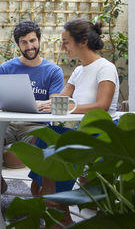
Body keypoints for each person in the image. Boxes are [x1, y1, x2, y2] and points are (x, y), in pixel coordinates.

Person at [33, 18, 119, 227]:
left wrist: (64, 107)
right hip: (80, 129)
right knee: (46, 134)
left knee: (57, 141)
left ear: (83, 42)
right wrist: (40, 103)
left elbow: (102, 106)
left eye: (66, 42)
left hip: (101, 130)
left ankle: (55, 205)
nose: (62, 47)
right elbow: (61, 99)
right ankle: (54, 201)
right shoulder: (79, 71)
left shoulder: (105, 68)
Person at [0, 21, 64, 208]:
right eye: (24, 42)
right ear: (18, 45)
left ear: (39, 40)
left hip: (36, 127)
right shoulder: (7, 68)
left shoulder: (53, 71)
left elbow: (54, 104)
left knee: (47, 141)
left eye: (32, 40)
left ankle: (47, 193)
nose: (29, 46)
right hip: (8, 124)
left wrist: (39, 104)